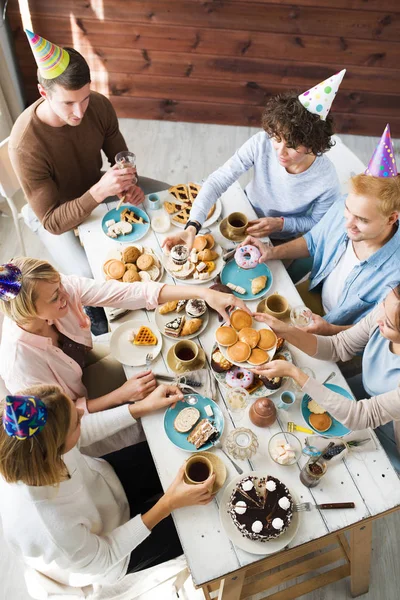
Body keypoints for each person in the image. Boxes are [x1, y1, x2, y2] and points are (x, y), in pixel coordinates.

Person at [0, 384, 215, 588]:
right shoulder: (49, 527)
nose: (82, 413)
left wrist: (142, 407)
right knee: (205, 523)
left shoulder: (40, 446)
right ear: (53, 450)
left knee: (175, 452)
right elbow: (107, 555)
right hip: (116, 551)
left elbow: (81, 432)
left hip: (106, 482)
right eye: (76, 420)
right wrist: (167, 504)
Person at [9, 30, 169, 280]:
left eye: (84, 98)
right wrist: (101, 191)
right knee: (89, 274)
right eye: (68, 103)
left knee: (170, 196)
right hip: (53, 211)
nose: (80, 112)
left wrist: (129, 183)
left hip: (94, 183)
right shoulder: (25, 145)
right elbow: (52, 222)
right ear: (43, 93)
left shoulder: (98, 105)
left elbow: (122, 158)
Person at [0, 258, 248, 413]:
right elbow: (63, 418)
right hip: (79, 414)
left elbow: (125, 293)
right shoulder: (20, 364)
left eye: (60, 285)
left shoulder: (58, 288)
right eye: (55, 297)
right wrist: (122, 396)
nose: (66, 294)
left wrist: (202, 293)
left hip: (83, 364)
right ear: (29, 311)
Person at [163, 71, 345, 252]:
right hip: (243, 209)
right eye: (277, 138)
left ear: (312, 145)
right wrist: (192, 226)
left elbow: (317, 223)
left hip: (281, 237)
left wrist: (281, 224)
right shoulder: (262, 142)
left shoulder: (326, 180)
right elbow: (219, 180)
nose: (280, 151)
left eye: (291, 146)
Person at [241, 140, 400, 333]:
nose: (348, 224)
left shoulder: (395, 276)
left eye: (362, 220)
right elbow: (313, 241)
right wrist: (272, 252)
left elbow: (379, 335)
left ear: (391, 218)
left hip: (344, 337)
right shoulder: (343, 206)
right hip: (314, 297)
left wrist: (330, 330)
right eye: (348, 210)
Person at [251, 282, 400, 471]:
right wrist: (286, 331)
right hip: (367, 392)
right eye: (383, 305)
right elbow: (339, 345)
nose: (379, 319)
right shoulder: (385, 313)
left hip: (392, 434)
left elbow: (360, 416)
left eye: (388, 324)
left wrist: (294, 372)